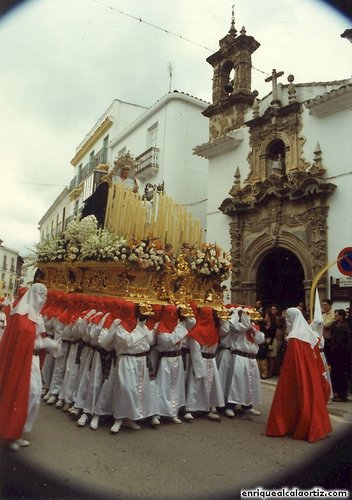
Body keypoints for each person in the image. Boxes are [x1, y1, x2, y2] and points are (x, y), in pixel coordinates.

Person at [0, 283, 58, 451]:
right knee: (27, 392)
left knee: (34, 392)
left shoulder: (36, 316)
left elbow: (37, 338)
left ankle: (17, 430)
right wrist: (45, 344)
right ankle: (11, 432)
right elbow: (20, 341)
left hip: (31, 361)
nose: (44, 299)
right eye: (42, 295)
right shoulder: (19, 315)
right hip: (21, 361)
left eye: (45, 295)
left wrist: (48, 344)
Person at [266, 307, 332, 443]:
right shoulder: (309, 333)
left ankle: (292, 425)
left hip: (295, 376)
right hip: (310, 375)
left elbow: (292, 362)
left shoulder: (295, 336)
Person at [330, 309, 351, 402]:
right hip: (337, 353)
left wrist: (334, 348)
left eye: (337, 315)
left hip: (341, 353)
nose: (335, 317)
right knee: (337, 374)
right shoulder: (336, 325)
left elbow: (339, 341)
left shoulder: (343, 326)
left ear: (341, 316)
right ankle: (338, 393)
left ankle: (343, 396)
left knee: (341, 374)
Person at [322, 298, 335, 365]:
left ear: (330, 305)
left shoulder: (334, 314)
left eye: (325, 305)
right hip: (323, 338)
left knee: (330, 358)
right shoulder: (323, 315)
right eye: (322, 305)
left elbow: (327, 324)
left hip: (330, 338)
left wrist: (321, 324)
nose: (323, 307)